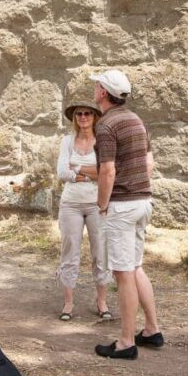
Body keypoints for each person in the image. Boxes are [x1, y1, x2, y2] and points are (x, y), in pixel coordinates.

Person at [90, 69, 162, 360]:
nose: (94, 88)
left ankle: (125, 342)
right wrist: (136, 188)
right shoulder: (135, 120)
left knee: (122, 274)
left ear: (103, 93)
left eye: (97, 85)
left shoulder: (106, 124)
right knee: (135, 267)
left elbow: (107, 170)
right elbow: (149, 163)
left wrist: (102, 205)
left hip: (122, 205)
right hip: (143, 201)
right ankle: (152, 330)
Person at [56, 101, 113, 321]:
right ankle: (68, 303)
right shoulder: (67, 141)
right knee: (70, 252)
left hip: (97, 203)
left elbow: (107, 171)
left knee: (101, 253)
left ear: (94, 117)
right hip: (71, 203)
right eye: (79, 114)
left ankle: (102, 301)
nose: (83, 117)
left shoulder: (102, 141)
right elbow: (62, 173)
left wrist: (78, 169)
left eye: (87, 113)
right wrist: (91, 174)